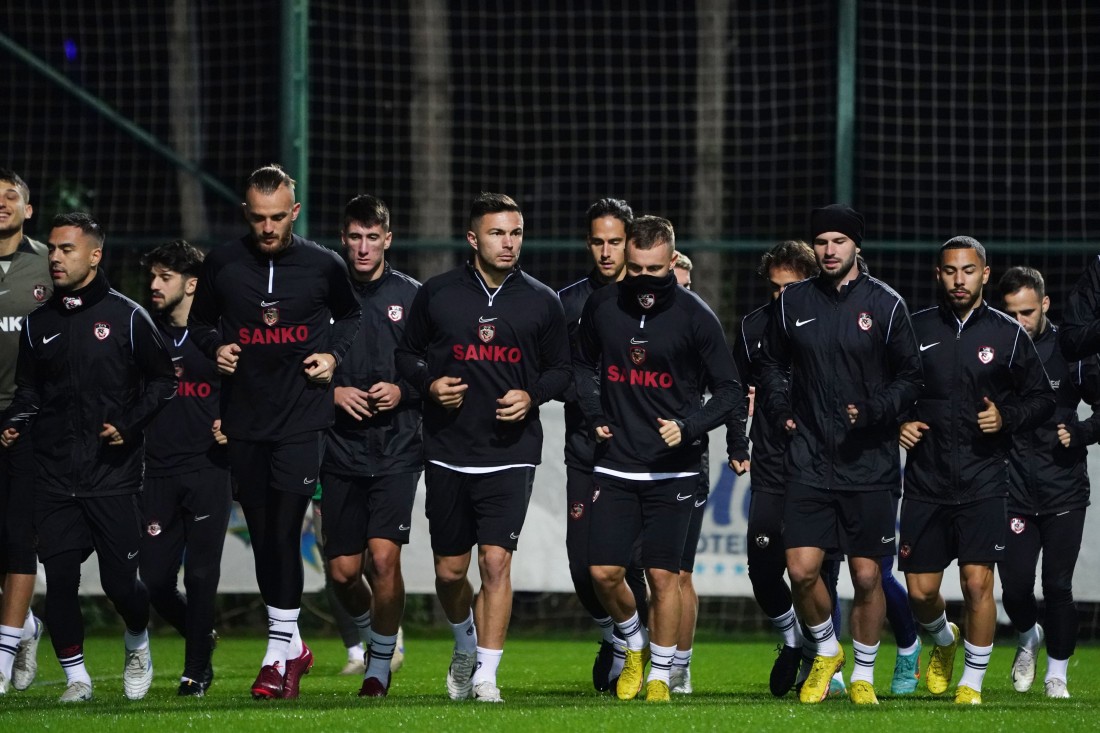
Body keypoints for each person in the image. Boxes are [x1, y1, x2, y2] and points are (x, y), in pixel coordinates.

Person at [188, 164, 361, 699]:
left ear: (295, 212)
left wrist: (332, 355)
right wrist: (214, 347)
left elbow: (351, 319)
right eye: (259, 218)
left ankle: (276, 653)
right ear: (246, 213)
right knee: (264, 537)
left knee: (287, 530)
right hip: (244, 420)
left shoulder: (323, 265)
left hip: (301, 418)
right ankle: (295, 648)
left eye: (278, 218)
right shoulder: (223, 263)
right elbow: (198, 326)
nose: (268, 228)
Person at [395, 192, 570, 703]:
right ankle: (465, 642)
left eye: (516, 232)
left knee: (496, 563)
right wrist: (429, 384)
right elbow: (406, 355)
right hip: (448, 449)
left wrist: (531, 394)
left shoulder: (542, 300)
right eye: (497, 233)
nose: (509, 242)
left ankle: (487, 676)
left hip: (511, 452)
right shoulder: (438, 293)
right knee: (450, 573)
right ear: (473, 238)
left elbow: (562, 369)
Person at [1, 212, 176, 702]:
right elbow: (30, 393)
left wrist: (129, 424)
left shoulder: (127, 316)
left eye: (67, 250)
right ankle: (77, 677)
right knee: (59, 582)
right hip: (54, 475)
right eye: (52, 249)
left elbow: (164, 381)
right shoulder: (39, 325)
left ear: (94, 256)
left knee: (123, 587)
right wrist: (14, 424)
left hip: (113, 476)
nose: (55, 258)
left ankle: (137, 641)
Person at [575, 215, 746, 703]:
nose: (645, 280)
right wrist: (593, 411)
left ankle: (661, 674)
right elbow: (583, 363)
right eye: (635, 269)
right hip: (615, 463)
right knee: (604, 572)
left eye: (655, 269)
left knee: (664, 577)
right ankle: (632, 643)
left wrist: (690, 427)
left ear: (672, 261)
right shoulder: (603, 305)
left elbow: (731, 390)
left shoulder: (696, 316)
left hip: (675, 469)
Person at [757, 204, 922, 705]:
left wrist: (876, 410)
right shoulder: (793, 302)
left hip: (868, 462)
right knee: (802, 570)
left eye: (839, 242)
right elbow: (771, 365)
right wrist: (782, 405)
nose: (830, 250)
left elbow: (912, 378)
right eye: (823, 242)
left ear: (856, 246)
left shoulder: (886, 305)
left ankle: (865, 673)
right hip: (808, 459)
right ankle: (827, 649)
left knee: (868, 575)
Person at [899, 238, 1055, 705]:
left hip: (984, 477)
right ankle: (944, 642)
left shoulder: (1009, 334)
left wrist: (1006, 418)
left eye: (969, 270)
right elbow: (888, 388)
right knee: (922, 592)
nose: (959, 279)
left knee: (976, 582)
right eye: (950, 271)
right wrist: (899, 422)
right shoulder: (915, 328)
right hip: (925, 480)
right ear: (938, 274)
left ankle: (972, 683)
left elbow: (1043, 399)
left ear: (985, 274)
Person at [321, 194, 422, 698]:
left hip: (398, 446)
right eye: (354, 237)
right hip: (338, 448)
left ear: (388, 239)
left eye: (372, 237)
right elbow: (296, 365)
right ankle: (374, 634)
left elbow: (438, 369)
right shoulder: (322, 298)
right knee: (342, 572)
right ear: (344, 239)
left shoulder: (413, 297)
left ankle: (379, 664)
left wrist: (404, 389)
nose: (363, 247)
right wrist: (332, 391)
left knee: (383, 559)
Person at [557, 198, 648, 693]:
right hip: (585, 451)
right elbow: (555, 369)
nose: (606, 251)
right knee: (581, 563)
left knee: (631, 562)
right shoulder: (568, 302)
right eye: (598, 241)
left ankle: (638, 650)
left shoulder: (654, 300)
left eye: (616, 241)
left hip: (640, 454)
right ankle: (614, 635)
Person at [997, 266, 1096, 699]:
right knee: (1015, 588)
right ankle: (1027, 636)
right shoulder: (995, 348)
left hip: (1063, 490)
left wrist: (1082, 432)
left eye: (1027, 312)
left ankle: (1058, 674)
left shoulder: (1072, 352)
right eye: (1011, 313)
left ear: (1045, 306)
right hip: (1010, 489)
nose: (1019, 322)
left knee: (1057, 584)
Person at [138, 240, 230, 697]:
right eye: (152, 276)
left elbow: (250, 387)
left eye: (165, 277)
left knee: (199, 575)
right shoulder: (143, 332)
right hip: (155, 472)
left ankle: (197, 668)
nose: (154, 285)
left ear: (192, 284)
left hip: (209, 470)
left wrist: (231, 424)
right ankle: (201, 633)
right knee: (154, 579)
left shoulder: (216, 334)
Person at [732, 240, 820, 697]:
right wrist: (736, 439)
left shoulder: (828, 324)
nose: (782, 296)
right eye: (775, 288)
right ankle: (793, 640)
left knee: (820, 574)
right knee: (763, 568)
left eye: (792, 287)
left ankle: (828, 661)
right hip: (769, 463)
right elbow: (733, 389)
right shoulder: (752, 328)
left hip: (822, 466)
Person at [0, 168, 49, 695]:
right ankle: (26, 627)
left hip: (31, 418)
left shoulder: (48, 264)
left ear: (27, 209)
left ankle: (4, 650)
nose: (2, 204)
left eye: (10, 196)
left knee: (19, 537)